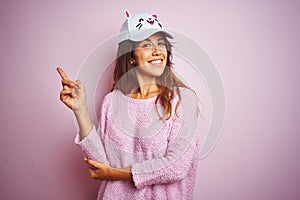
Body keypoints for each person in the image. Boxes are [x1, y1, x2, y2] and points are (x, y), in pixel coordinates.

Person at [57, 11, 201, 200]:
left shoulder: (184, 99)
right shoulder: (112, 101)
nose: (157, 51)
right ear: (131, 56)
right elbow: (101, 164)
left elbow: (177, 166)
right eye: (147, 44)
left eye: (161, 43)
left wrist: (116, 174)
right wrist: (80, 109)